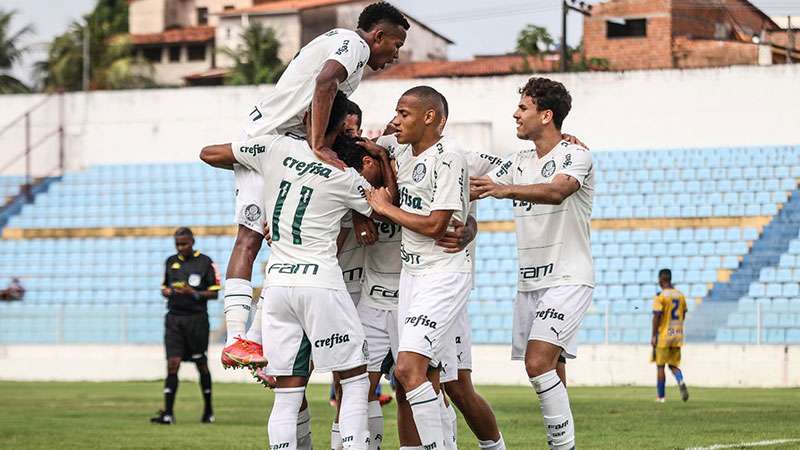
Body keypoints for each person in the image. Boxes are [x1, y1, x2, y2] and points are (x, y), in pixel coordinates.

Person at [221, 1, 409, 370]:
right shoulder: (353, 45)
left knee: (285, 245)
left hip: (286, 145)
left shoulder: (345, 50)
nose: (395, 55)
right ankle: (235, 338)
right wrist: (319, 144)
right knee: (250, 238)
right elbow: (325, 81)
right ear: (379, 35)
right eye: (396, 45)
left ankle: (255, 341)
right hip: (268, 140)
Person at [201, 92, 392, 450]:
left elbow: (209, 153)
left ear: (309, 117)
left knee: (287, 395)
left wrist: (253, 165)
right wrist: (381, 158)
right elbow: (382, 211)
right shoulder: (345, 176)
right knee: (352, 380)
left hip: (277, 287)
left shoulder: (274, 150)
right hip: (321, 282)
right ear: (341, 127)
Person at [471, 77, 594, 450]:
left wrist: (503, 189)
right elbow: (478, 183)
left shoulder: (576, 155)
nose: (515, 114)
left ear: (546, 115)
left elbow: (558, 191)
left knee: (537, 363)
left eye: (522, 108)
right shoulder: (520, 160)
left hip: (568, 276)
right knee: (551, 369)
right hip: (529, 282)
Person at [365, 86, 473, 450]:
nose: (396, 121)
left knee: (408, 370)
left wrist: (384, 208)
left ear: (430, 117)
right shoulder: (397, 146)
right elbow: (363, 146)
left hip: (443, 274)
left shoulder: (451, 155)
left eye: (403, 114)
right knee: (424, 376)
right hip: (411, 276)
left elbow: (435, 225)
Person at [151, 227, 220, 425]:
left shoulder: (205, 262)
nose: (181, 247)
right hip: (174, 319)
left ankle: (208, 411)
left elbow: (214, 293)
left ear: (192, 242)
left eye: (184, 244)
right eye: (178, 244)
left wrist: (193, 292)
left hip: (197, 320)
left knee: (201, 364)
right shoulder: (170, 262)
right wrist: (168, 291)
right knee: (173, 364)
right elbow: (164, 286)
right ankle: (168, 414)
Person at [651, 268, 689, 403]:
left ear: (661, 280)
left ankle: (661, 397)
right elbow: (683, 314)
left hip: (664, 335)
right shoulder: (680, 295)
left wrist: (654, 335)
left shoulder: (660, 296)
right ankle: (680, 380)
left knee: (660, 366)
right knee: (673, 364)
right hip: (677, 334)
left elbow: (656, 316)